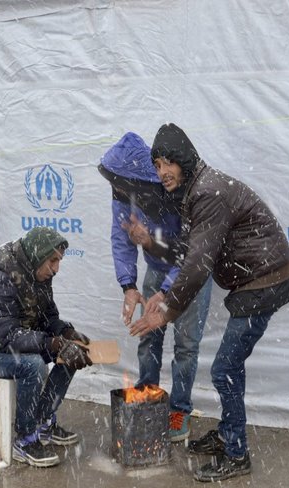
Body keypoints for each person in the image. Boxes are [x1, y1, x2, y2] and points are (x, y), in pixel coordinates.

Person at [130, 123, 289, 482]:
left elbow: (198, 265)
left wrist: (166, 312)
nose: (162, 172)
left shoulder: (207, 193)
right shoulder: (197, 190)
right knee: (227, 367)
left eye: (168, 163)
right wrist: (162, 293)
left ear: (185, 159)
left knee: (224, 369)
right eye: (157, 165)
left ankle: (236, 452)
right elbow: (187, 251)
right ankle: (228, 433)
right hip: (255, 282)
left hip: (264, 283)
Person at [0, 227, 93, 468]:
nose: (56, 268)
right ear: (37, 254)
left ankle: (43, 422)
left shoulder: (38, 270)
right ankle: (25, 440)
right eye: (53, 261)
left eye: (59, 261)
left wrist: (66, 333)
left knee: (71, 353)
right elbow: (6, 335)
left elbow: (47, 315)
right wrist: (52, 343)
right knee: (32, 365)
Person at [98, 132, 212, 442]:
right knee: (148, 338)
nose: (118, 190)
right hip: (155, 271)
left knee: (186, 347)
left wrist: (165, 291)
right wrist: (128, 285)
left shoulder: (179, 190)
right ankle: (148, 396)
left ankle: (179, 411)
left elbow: (189, 253)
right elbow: (121, 237)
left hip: (191, 276)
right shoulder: (122, 190)